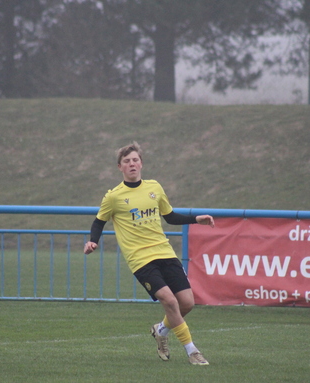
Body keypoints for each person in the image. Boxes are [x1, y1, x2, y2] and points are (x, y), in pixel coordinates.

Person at [83, 141, 215, 365]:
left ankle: (161, 330)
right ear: (120, 167)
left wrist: (196, 219)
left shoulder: (155, 187)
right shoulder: (113, 196)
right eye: (127, 161)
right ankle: (192, 351)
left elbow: (170, 216)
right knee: (169, 301)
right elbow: (98, 222)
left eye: (135, 160)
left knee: (187, 303)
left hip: (164, 252)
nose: (131, 164)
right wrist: (92, 242)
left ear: (141, 164)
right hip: (141, 259)